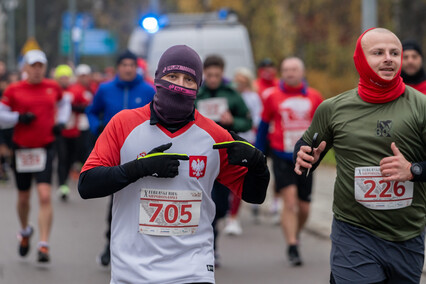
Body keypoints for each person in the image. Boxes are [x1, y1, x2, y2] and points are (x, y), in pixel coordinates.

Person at [78, 45, 269, 284]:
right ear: (157, 79)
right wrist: (139, 168)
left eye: (189, 79)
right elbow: (86, 185)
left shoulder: (215, 135)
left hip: (193, 269)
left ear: (198, 87)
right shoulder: (123, 124)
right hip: (132, 270)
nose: (179, 85)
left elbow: (254, 195)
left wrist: (259, 165)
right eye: (172, 76)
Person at [294, 28, 426, 283]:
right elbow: (305, 146)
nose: (388, 58)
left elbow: (416, 169)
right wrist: (304, 156)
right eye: (378, 53)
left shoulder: (421, 106)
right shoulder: (333, 109)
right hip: (354, 231)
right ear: (360, 60)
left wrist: (412, 170)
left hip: (406, 234)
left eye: (394, 53)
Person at [86, 49, 156, 267]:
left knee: (145, 198)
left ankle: (145, 247)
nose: (128, 68)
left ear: (137, 67)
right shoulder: (105, 89)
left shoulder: (148, 89)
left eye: (131, 65)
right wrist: (96, 127)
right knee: (117, 199)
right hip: (114, 151)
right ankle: (110, 246)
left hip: (144, 152)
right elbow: (91, 111)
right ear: (118, 67)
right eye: (124, 65)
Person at [0, 49, 71, 263]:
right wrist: (18, 117)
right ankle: (25, 231)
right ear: (25, 68)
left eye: (41, 65)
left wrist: (61, 122)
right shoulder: (14, 89)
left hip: (45, 147)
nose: (37, 70)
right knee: (23, 198)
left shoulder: (53, 87)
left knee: (45, 195)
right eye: (33, 66)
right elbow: (1, 115)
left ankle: (44, 244)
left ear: (45, 68)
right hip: (22, 149)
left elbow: (64, 103)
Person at [256, 57, 323, 266]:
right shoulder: (272, 96)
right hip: (282, 155)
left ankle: (296, 232)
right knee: (290, 201)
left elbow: (323, 127)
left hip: (306, 158)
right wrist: (257, 154)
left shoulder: (314, 97)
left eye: (294, 69)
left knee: (304, 208)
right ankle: (293, 245)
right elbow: (264, 125)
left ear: (302, 73)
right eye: (285, 69)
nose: (289, 73)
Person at [196, 54, 252, 265]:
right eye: (208, 75)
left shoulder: (232, 95)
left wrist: (233, 121)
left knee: (218, 206)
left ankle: (212, 239)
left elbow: (247, 122)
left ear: (222, 74)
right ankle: (209, 248)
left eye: (216, 75)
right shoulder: (196, 95)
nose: (212, 79)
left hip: (223, 157)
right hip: (199, 156)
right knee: (201, 203)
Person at [224, 67, 263, 235]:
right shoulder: (230, 96)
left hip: (247, 140)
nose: (238, 83)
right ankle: (226, 210)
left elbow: (257, 118)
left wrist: (243, 121)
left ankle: (233, 216)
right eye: (236, 79)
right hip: (228, 139)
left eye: (242, 80)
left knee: (239, 178)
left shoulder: (253, 97)